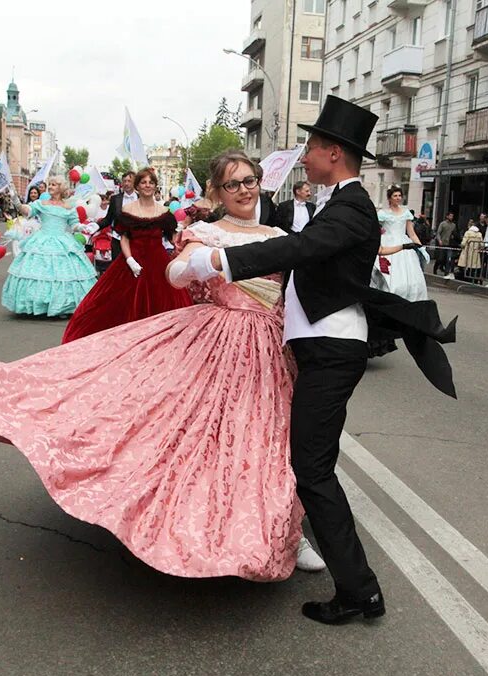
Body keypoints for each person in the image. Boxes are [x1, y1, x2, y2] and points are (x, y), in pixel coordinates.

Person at [0, 150, 326, 580]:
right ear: (218, 191)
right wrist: (200, 263)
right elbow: (176, 273)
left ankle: (285, 531)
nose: (244, 190)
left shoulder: (278, 233)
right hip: (218, 340)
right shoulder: (205, 231)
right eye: (233, 183)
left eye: (250, 180)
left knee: (269, 437)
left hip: (269, 347)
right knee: (202, 435)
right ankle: (198, 517)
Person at [179, 95, 457, 625]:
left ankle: (359, 591)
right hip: (319, 347)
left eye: (310, 147)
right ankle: (345, 578)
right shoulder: (339, 201)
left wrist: (218, 259)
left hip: (333, 352)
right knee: (308, 464)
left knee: (312, 469)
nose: (303, 156)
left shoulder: (352, 209)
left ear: (333, 152)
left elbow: (298, 251)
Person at [60, 168, 192, 342]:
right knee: (114, 303)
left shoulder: (164, 212)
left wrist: (189, 238)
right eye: (143, 182)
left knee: (164, 302)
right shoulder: (128, 210)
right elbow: (124, 238)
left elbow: (173, 237)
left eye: (151, 182)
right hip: (131, 261)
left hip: (157, 262)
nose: (147, 186)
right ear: (137, 186)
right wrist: (130, 260)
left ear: (155, 186)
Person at [1, 176, 99, 317]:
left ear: (61, 188)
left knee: (64, 275)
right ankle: (37, 304)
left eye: (53, 185)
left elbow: (74, 224)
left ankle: (63, 306)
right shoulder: (42, 203)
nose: (50, 187)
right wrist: (16, 201)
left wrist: (82, 226)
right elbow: (27, 211)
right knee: (36, 273)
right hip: (42, 240)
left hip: (62, 241)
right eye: (50, 184)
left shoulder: (69, 206)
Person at [373, 187, 428, 301]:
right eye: (395, 196)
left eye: (399, 195)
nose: (398, 198)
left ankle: (410, 300)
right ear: (389, 198)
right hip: (388, 244)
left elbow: (411, 233)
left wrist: (421, 247)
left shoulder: (406, 212)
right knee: (390, 273)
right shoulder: (383, 213)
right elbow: (376, 230)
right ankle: (388, 296)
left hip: (404, 243)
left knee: (410, 276)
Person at [95, 171, 138, 260]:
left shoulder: (141, 198)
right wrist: (95, 226)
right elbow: (108, 219)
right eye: (124, 181)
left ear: (135, 182)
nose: (126, 183)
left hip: (136, 240)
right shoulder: (115, 199)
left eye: (129, 181)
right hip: (117, 239)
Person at [457, 218, 483, 284]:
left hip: (467, 251)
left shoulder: (468, 233)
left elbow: (463, 243)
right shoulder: (479, 234)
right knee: (474, 266)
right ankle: (474, 279)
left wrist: (462, 246)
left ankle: (466, 278)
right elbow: (482, 244)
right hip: (476, 252)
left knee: (465, 265)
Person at [433, 211, 456, 276]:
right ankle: (435, 268)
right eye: (450, 216)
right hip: (443, 244)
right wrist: (439, 240)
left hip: (449, 244)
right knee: (440, 258)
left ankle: (446, 273)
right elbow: (438, 233)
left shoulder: (453, 225)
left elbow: (455, 234)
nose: (451, 217)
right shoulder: (443, 224)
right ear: (447, 216)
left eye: (452, 216)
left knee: (448, 259)